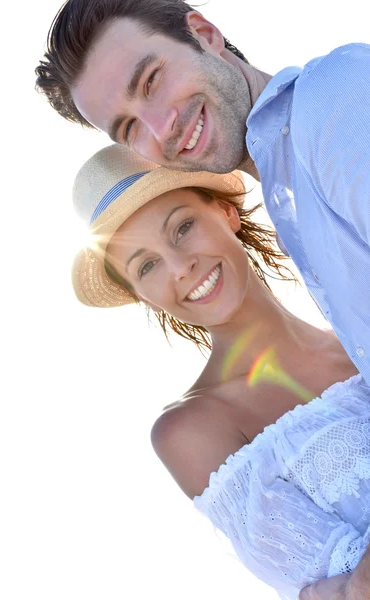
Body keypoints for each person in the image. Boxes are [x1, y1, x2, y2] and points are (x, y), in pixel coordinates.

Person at [71, 143, 370, 600]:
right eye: (147, 265)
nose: (180, 267)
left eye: (182, 228)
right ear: (141, 294)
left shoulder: (359, 332)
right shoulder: (190, 430)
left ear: (227, 211)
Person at [35, 1, 370, 393]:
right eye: (128, 128)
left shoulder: (334, 96)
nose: (161, 130)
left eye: (151, 81)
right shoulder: (290, 192)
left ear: (205, 35)